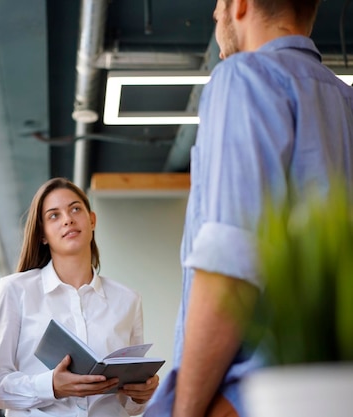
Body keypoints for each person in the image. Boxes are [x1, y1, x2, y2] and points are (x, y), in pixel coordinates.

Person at [144, 1, 353, 417]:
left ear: (239, 5)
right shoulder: (346, 102)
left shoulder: (243, 77)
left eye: (218, 4)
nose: (215, 16)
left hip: (254, 398)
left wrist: (185, 410)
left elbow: (230, 268)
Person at [0, 177, 160, 417]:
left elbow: (130, 405)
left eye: (75, 209)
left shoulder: (128, 300)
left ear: (92, 220)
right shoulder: (15, 290)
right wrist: (51, 386)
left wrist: (143, 394)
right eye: (54, 215)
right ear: (42, 234)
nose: (68, 219)